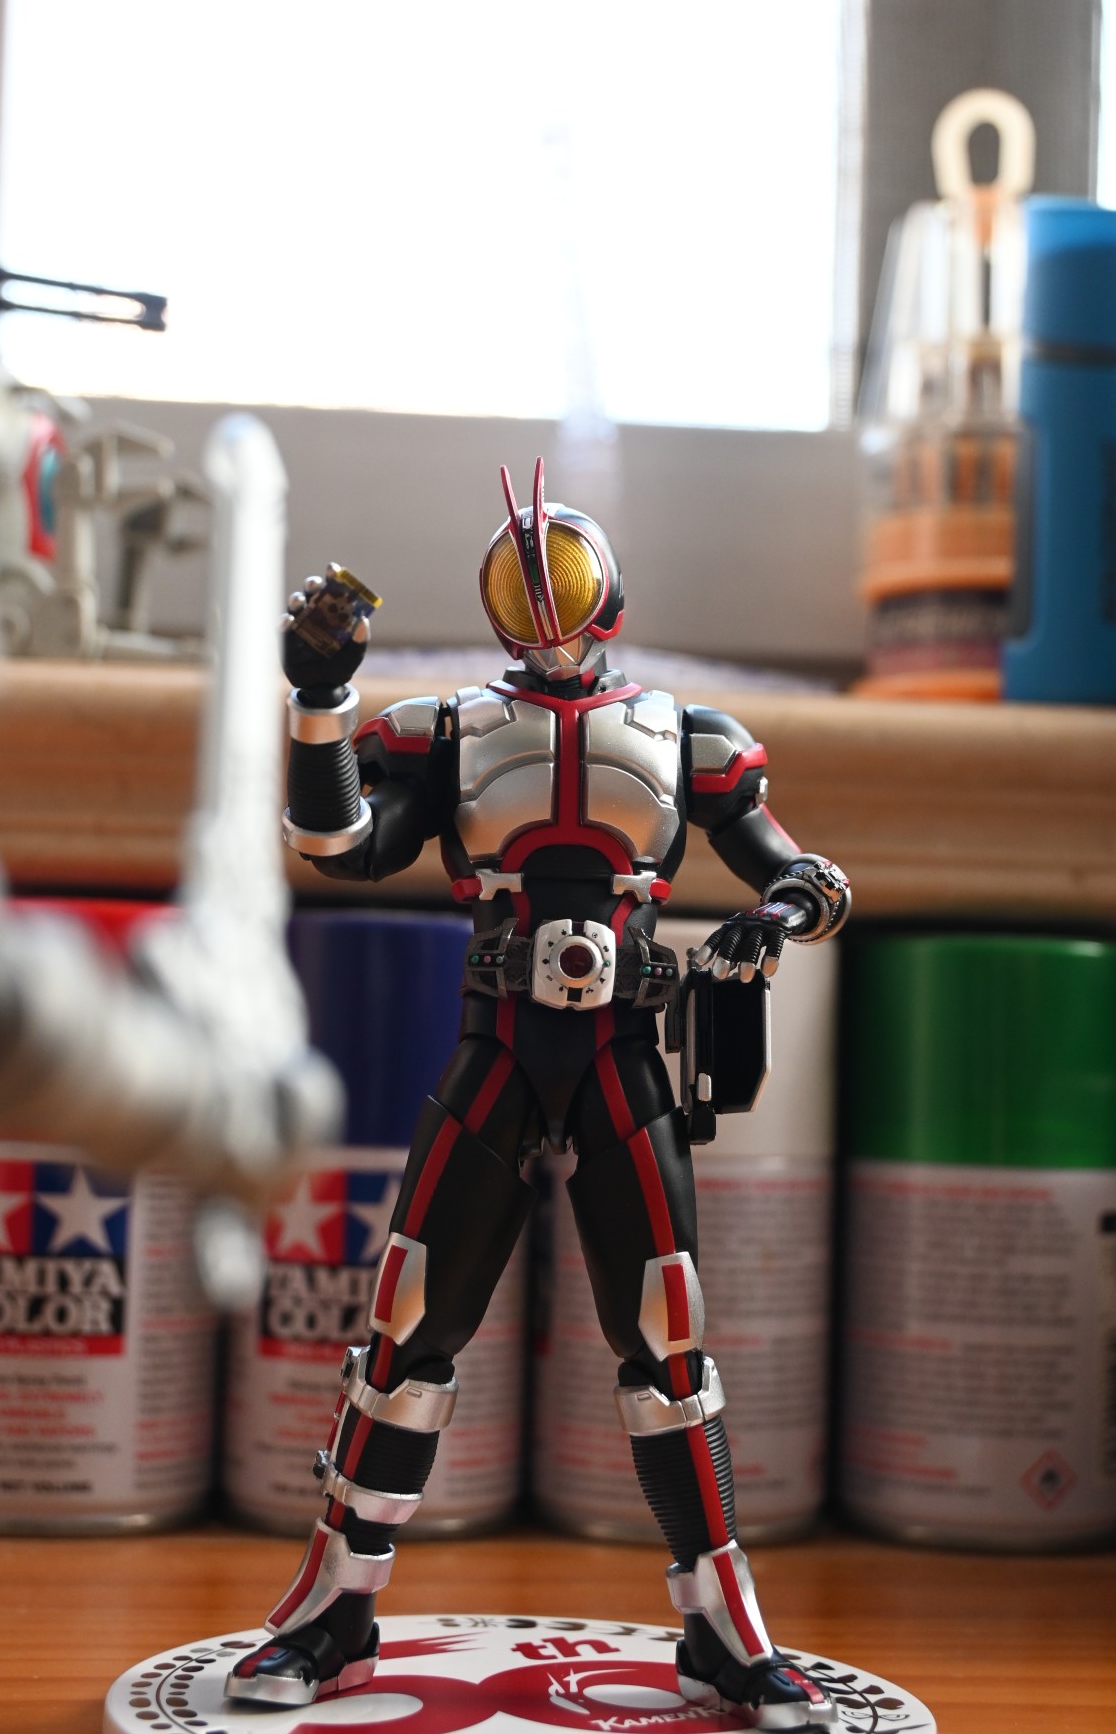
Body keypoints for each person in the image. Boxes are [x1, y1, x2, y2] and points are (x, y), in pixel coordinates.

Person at [227, 458, 850, 1728]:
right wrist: (320, 700)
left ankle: (724, 1631)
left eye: (564, 581)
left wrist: (771, 921)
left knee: (667, 1339)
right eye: (528, 588)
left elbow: (807, 876)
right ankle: (333, 1614)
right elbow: (339, 845)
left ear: (608, 593)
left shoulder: (686, 735)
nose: (550, 611)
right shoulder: (449, 729)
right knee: (408, 1326)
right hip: (499, 1046)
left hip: (623, 1052)